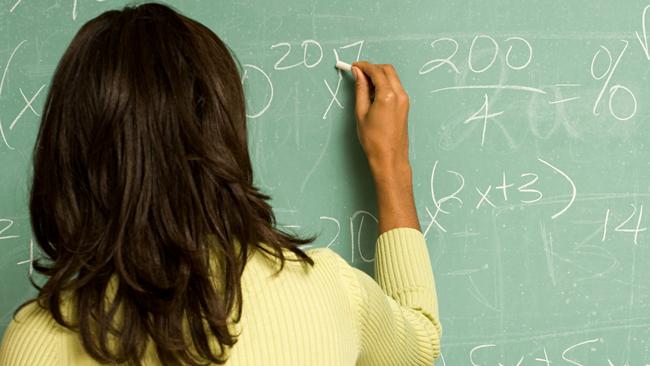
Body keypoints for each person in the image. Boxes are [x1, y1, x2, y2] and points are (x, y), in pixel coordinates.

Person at [0, 3, 441, 365]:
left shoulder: (35, 342)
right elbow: (420, 348)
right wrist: (392, 165)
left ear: (66, 151)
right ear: (221, 135)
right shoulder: (329, 292)